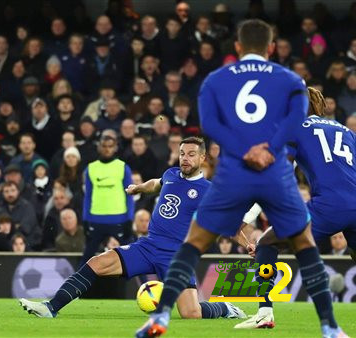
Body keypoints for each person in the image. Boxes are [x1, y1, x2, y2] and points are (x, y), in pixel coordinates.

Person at [136, 20, 344, 338]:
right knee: (304, 245)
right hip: (274, 172)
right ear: (271, 49)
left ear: (237, 47)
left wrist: (242, 151)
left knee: (192, 243)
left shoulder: (217, 79)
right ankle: (330, 328)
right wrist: (268, 151)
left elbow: (209, 124)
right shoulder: (288, 79)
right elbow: (294, 125)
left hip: (235, 172)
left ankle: (160, 317)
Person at [20, 137, 245, 320]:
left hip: (176, 256)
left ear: (203, 157)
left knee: (191, 313)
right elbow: (155, 183)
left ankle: (224, 309)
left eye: (191, 155)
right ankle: (51, 308)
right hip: (147, 246)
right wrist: (138, 188)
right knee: (96, 263)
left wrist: (248, 244)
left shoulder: (208, 190)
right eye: (183, 154)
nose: (185, 159)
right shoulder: (171, 175)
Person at [235, 87, 356, 330]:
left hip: (329, 205)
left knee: (267, 242)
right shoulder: (347, 131)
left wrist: (248, 217)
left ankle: (265, 312)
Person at [79, 132, 134, 265]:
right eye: (104, 146)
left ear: (115, 147)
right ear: (99, 147)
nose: (107, 149)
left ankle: (148, 285)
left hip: (119, 219)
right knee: (87, 260)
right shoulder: (91, 168)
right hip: (95, 219)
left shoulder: (123, 167)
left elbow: (130, 195)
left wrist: (129, 219)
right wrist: (85, 219)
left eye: (110, 146)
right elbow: (88, 196)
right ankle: (75, 286)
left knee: (133, 258)